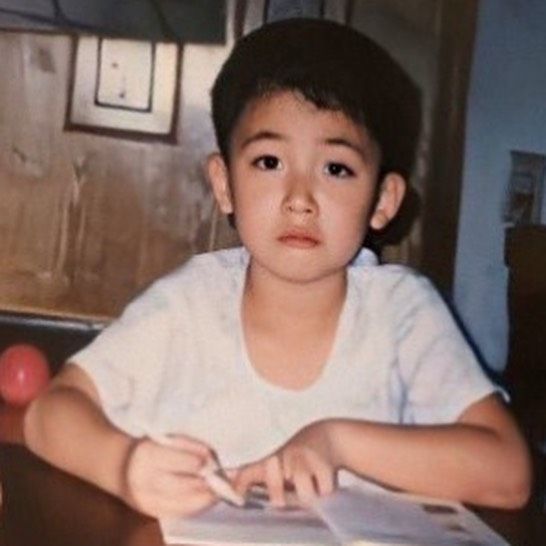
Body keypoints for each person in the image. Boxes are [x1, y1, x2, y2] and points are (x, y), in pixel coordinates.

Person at [24, 18, 531, 519]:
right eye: (269, 162)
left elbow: (508, 475)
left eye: (336, 168)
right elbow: (50, 413)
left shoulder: (401, 312)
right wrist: (125, 467)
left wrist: (336, 442)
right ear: (224, 184)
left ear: (383, 200)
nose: (299, 200)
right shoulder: (187, 306)